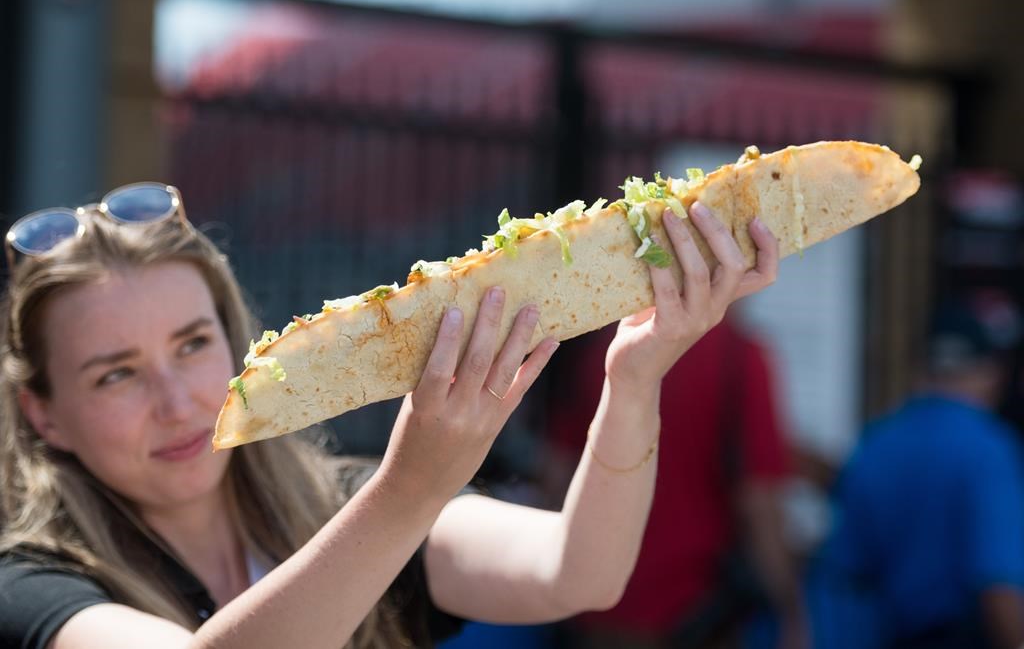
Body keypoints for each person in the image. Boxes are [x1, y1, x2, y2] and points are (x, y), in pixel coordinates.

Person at [0, 182, 778, 649]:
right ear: (46, 415)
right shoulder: (31, 588)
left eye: (193, 344)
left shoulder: (335, 505)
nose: (176, 401)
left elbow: (578, 571)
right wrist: (410, 487)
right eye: (116, 375)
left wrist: (635, 377)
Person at [544, 315, 807, 649]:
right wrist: (791, 610)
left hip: (595, 613)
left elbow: (555, 480)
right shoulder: (740, 355)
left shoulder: (599, 344)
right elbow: (759, 505)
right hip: (694, 614)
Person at [819, 300, 1024, 649]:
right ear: (990, 372)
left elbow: (846, 567)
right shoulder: (989, 450)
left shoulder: (876, 443)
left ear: (920, 370)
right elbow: (998, 585)